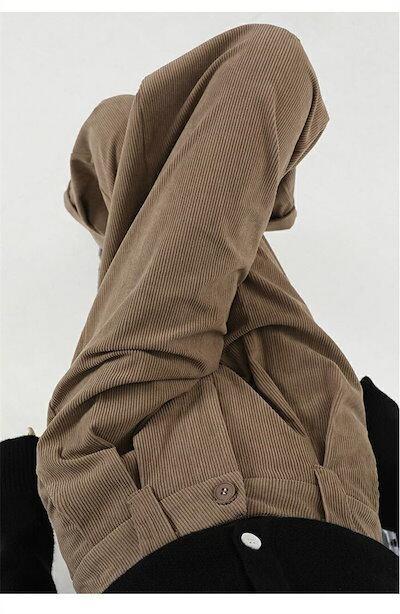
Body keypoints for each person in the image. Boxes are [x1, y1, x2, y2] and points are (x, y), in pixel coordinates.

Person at [12, 23, 397, 593]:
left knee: (119, 125)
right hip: (323, 473)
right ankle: (131, 213)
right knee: (267, 61)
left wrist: (12, 495)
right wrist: (381, 437)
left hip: (131, 496)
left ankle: (134, 214)